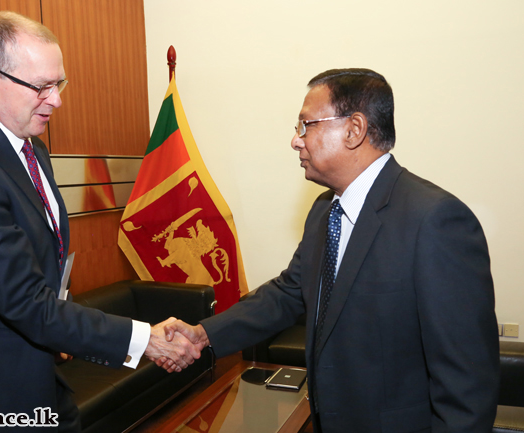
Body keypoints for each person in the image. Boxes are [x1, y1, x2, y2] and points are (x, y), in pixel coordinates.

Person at [162, 68, 500, 432]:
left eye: (306, 125)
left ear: (354, 130)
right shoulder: (325, 209)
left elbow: (467, 388)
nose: (295, 140)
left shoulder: (435, 220)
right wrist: (206, 333)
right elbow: (289, 293)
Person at [0, 11, 196, 431]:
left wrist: (62, 334)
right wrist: (145, 339)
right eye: (42, 86)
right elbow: (24, 301)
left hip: (42, 371)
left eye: (59, 83)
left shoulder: (34, 152)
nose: (56, 100)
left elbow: (43, 264)